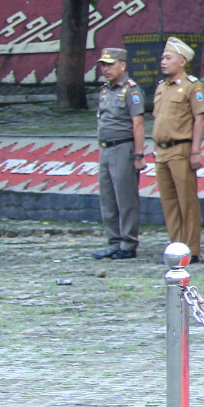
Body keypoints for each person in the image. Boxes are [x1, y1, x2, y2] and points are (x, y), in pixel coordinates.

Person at [151, 37, 204, 260]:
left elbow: (200, 119)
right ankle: (176, 248)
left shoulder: (192, 86)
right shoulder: (161, 87)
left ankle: (191, 249)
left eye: (168, 58)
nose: (163, 61)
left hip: (181, 149)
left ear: (182, 61)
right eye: (163, 57)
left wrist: (195, 151)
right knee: (169, 203)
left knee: (187, 202)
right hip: (162, 151)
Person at [91, 47, 144, 261]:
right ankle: (113, 242)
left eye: (110, 64)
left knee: (125, 198)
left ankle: (128, 243)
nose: (105, 69)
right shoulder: (105, 90)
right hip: (105, 147)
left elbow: (138, 123)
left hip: (123, 147)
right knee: (108, 198)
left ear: (122, 65)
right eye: (103, 65)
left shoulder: (131, 90)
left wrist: (139, 155)